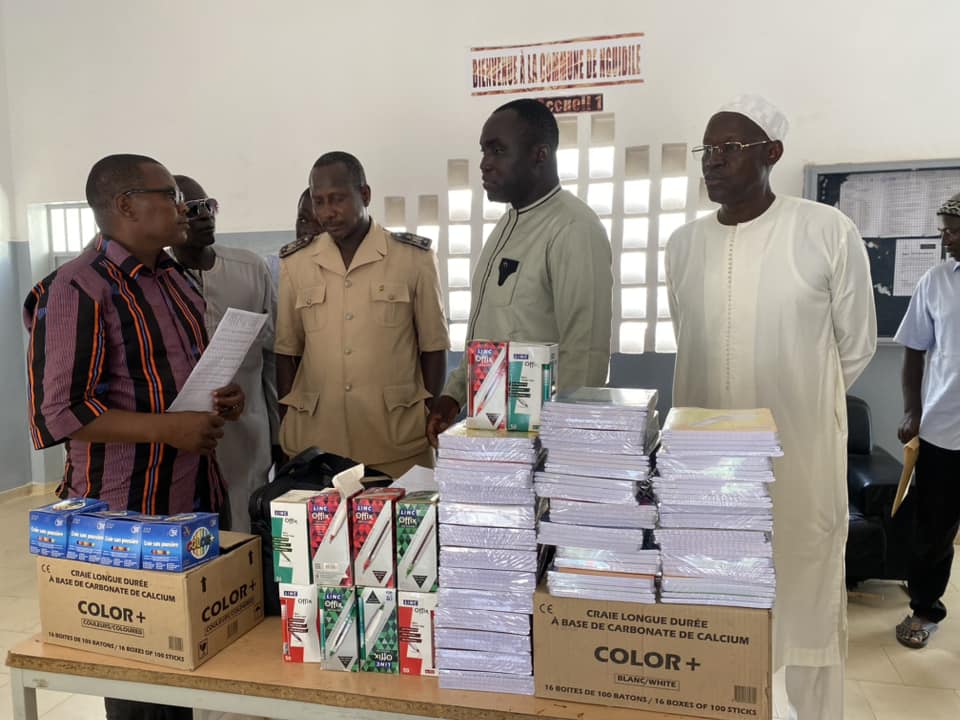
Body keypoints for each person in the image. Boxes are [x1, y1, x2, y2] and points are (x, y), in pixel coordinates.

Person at [665, 95, 876, 719]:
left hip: (798, 458)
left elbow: (856, 345)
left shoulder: (825, 230)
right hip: (707, 468)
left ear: (772, 153)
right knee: (711, 597)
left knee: (807, 595)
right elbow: (690, 339)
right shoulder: (683, 244)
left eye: (730, 148)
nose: (713, 161)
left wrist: (799, 397)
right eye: (707, 150)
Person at [24, 154, 245, 720]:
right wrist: (168, 430)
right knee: (141, 687)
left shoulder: (173, 278)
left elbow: (176, 378)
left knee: (189, 669)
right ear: (126, 205)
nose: (183, 209)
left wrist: (222, 397)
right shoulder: (77, 288)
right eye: (170, 195)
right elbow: (60, 412)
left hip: (196, 498)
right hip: (126, 519)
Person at [426, 99, 613, 444]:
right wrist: (454, 394)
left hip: (541, 438)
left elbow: (584, 352)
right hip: (494, 428)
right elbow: (488, 332)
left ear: (539, 154)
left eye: (498, 150)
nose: (485, 163)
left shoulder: (574, 228)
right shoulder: (507, 225)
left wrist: (565, 443)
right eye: (484, 151)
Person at [275, 152, 449, 477]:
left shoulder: (413, 258)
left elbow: (434, 346)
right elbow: (287, 352)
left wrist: (425, 410)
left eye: (338, 199)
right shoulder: (296, 264)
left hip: (397, 440)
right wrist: (287, 422)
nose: (328, 212)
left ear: (365, 195)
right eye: (319, 201)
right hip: (318, 442)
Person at [170, 174, 279, 533]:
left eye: (209, 206)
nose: (204, 216)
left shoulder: (250, 269)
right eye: (191, 209)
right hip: (186, 439)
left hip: (248, 432)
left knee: (248, 530)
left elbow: (272, 357)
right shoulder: (159, 279)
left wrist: (279, 435)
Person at [892, 192, 960, 649]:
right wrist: (912, 410)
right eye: (942, 229)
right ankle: (923, 608)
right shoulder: (935, 281)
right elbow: (914, 350)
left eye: (952, 230)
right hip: (943, 428)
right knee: (933, 530)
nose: (944, 238)